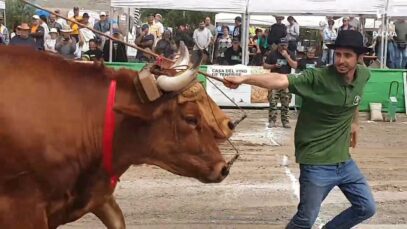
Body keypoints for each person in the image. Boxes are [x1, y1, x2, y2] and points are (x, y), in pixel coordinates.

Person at [224, 30, 376, 229]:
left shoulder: (363, 75)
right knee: (305, 219)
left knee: (366, 207)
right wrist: (245, 79)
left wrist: (354, 123)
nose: (341, 60)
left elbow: (355, 98)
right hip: (316, 162)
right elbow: (281, 80)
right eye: (338, 54)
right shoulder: (318, 77)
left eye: (347, 55)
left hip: (344, 162)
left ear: (359, 58)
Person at [263, 37, 297, 128]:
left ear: (287, 45)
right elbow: (265, 66)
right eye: (281, 45)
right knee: (273, 102)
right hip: (274, 81)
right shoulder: (272, 54)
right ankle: (272, 120)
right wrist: (274, 65)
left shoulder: (290, 53)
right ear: (278, 45)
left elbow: (295, 66)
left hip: (285, 81)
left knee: (285, 103)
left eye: (285, 45)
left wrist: (287, 57)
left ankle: (285, 121)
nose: (283, 47)